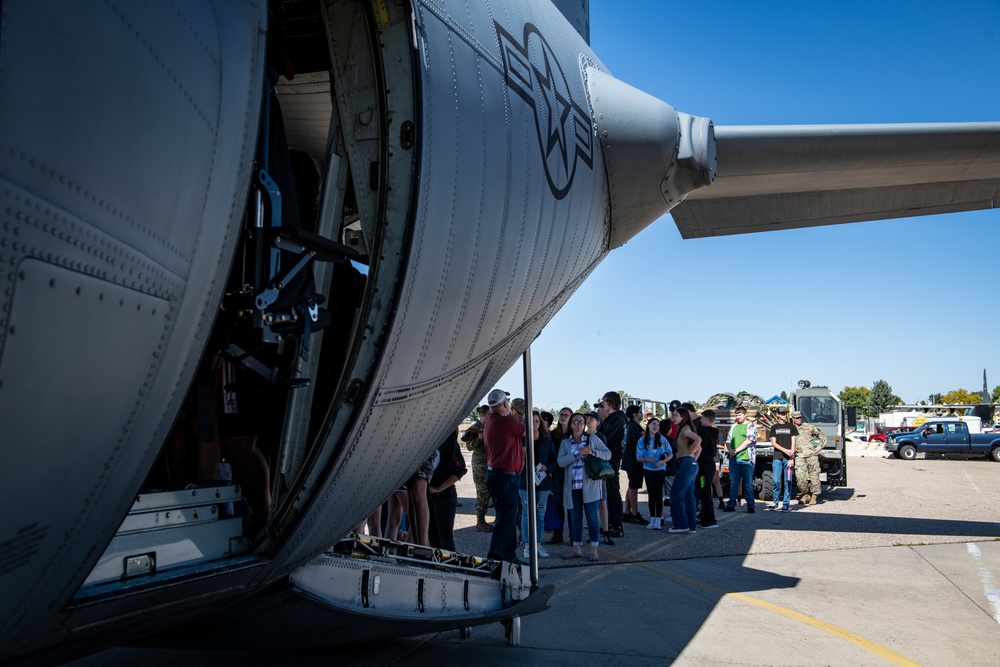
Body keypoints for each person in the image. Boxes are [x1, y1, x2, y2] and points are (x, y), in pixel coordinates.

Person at [558, 413, 611, 561]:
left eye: (582, 421)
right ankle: (577, 548)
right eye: (575, 421)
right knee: (575, 519)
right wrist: (576, 454)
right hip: (572, 487)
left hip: (591, 487)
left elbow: (608, 454)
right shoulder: (565, 443)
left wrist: (592, 452)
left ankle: (594, 550)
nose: (579, 424)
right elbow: (560, 462)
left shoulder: (592, 439)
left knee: (592, 518)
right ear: (571, 424)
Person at [483, 388, 526, 563]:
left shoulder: (491, 421)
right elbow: (530, 432)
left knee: (509, 518)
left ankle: (508, 555)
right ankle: (496, 558)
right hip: (505, 477)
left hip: (498, 476)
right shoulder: (504, 422)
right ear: (505, 404)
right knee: (505, 520)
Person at [520, 411, 557, 559]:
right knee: (527, 514)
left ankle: (538, 544)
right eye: (531, 421)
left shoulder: (547, 441)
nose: (534, 424)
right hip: (525, 482)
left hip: (542, 482)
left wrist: (547, 467)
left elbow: (554, 460)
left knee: (540, 514)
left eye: (537, 421)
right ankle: (527, 545)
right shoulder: (520, 440)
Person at [427, 427, 468, 550]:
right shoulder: (428, 443)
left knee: (445, 538)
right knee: (433, 537)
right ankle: (436, 566)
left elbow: (460, 470)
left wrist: (439, 488)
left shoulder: (449, 443)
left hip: (444, 497)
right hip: (427, 496)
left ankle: (449, 567)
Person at [597, 391, 627, 538]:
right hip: (610, 458)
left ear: (611, 403)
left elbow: (604, 437)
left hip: (612, 458)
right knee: (608, 491)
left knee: (613, 491)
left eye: (604, 402)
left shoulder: (617, 419)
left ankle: (617, 525)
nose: (602, 405)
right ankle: (609, 522)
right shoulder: (612, 418)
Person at [668, 407, 702, 534]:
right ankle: (690, 525)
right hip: (690, 463)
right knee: (688, 496)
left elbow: (699, 440)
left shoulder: (685, 429)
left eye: (676, 415)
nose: (673, 418)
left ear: (683, 416)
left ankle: (681, 525)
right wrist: (693, 458)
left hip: (687, 463)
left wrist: (690, 454)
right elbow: (700, 448)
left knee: (676, 494)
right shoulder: (686, 428)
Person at [461, 405, 493, 532]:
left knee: (491, 491)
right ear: (482, 415)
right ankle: (480, 522)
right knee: (482, 492)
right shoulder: (475, 429)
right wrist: (480, 438)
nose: (491, 417)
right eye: (489, 415)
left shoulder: (491, 426)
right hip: (480, 464)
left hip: (491, 462)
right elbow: (469, 446)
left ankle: (488, 520)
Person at [635, 417, 672, 530]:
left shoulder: (662, 439)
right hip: (648, 469)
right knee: (651, 494)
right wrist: (646, 460)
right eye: (654, 424)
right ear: (649, 425)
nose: (656, 426)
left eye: (658, 425)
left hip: (660, 470)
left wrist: (662, 461)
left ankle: (658, 519)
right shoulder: (642, 440)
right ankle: (652, 519)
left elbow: (670, 454)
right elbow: (638, 457)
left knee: (658, 494)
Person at [545, 407, 573, 545]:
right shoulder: (554, 434)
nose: (563, 417)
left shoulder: (575, 433)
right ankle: (558, 533)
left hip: (571, 473)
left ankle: (574, 533)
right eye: (561, 414)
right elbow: (550, 453)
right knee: (558, 504)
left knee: (572, 504)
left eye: (566, 415)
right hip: (556, 473)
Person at [723, 405, 758, 514]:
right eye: (736, 415)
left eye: (740, 415)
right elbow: (728, 440)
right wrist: (730, 450)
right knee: (734, 483)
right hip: (734, 459)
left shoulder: (751, 426)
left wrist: (736, 450)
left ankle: (750, 505)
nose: (738, 417)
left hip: (746, 459)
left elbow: (749, 440)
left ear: (745, 414)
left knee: (748, 484)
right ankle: (731, 504)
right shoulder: (733, 427)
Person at [585, 411, 613, 545]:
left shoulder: (600, 437)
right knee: (591, 505)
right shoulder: (582, 436)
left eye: (592, 418)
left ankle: (606, 531)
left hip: (598, 473)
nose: (589, 420)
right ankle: (593, 532)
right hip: (586, 474)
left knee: (602, 502)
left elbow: (606, 454)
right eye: (587, 418)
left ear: (598, 422)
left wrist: (593, 453)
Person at [792, 410, 827, 505]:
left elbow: (822, 436)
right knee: (800, 478)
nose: (799, 419)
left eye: (800, 417)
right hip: (799, 456)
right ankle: (805, 494)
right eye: (796, 418)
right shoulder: (791, 428)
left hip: (811, 456)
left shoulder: (809, 427)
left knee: (814, 476)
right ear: (793, 419)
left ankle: (814, 496)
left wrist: (819, 448)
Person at [768, 406, 797, 511]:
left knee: (788, 481)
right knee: (776, 481)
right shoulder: (774, 427)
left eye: (785, 413)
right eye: (782, 413)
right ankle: (775, 502)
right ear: (778, 415)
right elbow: (774, 443)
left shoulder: (792, 427)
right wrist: (785, 450)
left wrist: (791, 457)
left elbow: (793, 442)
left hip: (788, 458)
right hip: (777, 457)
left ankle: (786, 503)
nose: (784, 415)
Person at [622, 405, 647, 525]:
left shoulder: (634, 426)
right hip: (633, 461)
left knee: (632, 485)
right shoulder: (633, 427)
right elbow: (638, 443)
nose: (641, 414)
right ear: (634, 414)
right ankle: (635, 513)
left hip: (632, 461)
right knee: (634, 487)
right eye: (640, 412)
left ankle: (627, 512)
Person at [696, 409, 720, 528]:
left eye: (701, 418)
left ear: (707, 419)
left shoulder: (706, 433)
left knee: (705, 491)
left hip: (705, 466)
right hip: (707, 465)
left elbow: (700, 446)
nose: (700, 421)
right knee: (703, 490)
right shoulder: (713, 432)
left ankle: (710, 518)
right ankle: (705, 516)